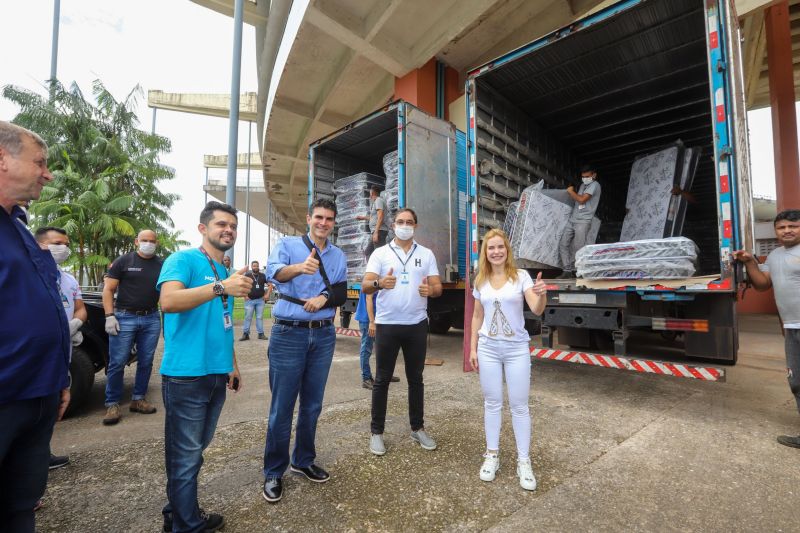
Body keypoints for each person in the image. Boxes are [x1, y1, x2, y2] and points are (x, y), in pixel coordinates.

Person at [157, 201, 251, 532]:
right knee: (185, 457)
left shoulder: (224, 270)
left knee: (194, 453)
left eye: (233, 226)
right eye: (221, 224)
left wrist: (233, 364)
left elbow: (222, 323)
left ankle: (177, 513)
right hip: (185, 376)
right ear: (203, 228)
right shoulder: (182, 260)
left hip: (215, 373)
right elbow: (168, 301)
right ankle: (187, 525)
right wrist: (220, 287)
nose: (228, 230)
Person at [0, 121, 70, 532]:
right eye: (40, 162)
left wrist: (58, 377)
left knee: (20, 503)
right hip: (6, 394)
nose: (47, 173)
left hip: (38, 391)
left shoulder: (20, 228)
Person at [262, 198, 346, 504]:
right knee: (282, 407)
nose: (323, 223)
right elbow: (274, 274)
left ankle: (303, 459)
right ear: (308, 218)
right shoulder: (287, 245)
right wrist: (300, 267)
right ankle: (273, 471)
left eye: (329, 219)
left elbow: (340, 289)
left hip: (323, 336)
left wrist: (324, 297)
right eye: (319, 217)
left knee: (312, 405)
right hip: (288, 334)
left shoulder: (337, 255)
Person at [468, 229, 547, 490]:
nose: (496, 252)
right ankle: (492, 455)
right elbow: (477, 315)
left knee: (519, 406)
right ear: (486, 252)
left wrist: (542, 293)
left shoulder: (521, 277)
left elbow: (536, 308)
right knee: (492, 403)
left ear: (507, 249)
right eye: (491, 248)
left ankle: (524, 461)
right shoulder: (481, 279)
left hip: (516, 350)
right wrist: (473, 348)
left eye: (500, 247)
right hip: (489, 349)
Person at [363, 208, 442, 456]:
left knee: (415, 379)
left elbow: (438, 286)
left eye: (409, 222)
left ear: (415, 226)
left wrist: (432, 291)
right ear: (393, 225)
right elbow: (365, 285)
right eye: (400, 222)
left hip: (417, 325)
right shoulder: (380, 253)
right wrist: (379, 283)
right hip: (387, 325)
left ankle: (417, 428)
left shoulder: (426, 254)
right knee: (382, 379)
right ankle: (376, 433)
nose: (404, 225)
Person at [733, 209, 800, 449]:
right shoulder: (774, 255)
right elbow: (762, 285)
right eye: (782, 227)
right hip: (792, 327)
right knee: (797, 382)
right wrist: (751, 261)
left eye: (793, 226)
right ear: (776, 231)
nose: (787, 231)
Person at [34, 226, 89, 471]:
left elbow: (80, 308)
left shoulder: (67, 279)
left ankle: (41, 455)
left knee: (50, 411)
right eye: (58, 243)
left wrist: (74, 325)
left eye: (66, 244)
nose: (64, 249)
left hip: (61, 356)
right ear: (39, 245)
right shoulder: (29, 276)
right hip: (35, 357)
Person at [102, 229, 163, 425]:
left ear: (157, 242)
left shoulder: (162, 264)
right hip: (124, 316)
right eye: (144, 240)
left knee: (146, 361)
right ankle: (112, 403)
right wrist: (109, 316)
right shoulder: (124, 261)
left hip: (151, 317)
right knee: (117, 362)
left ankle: (138, 399)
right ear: (136, 241)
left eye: (152, 241)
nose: (148, 243)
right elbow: (109, 289)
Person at [557, 165, 601, 279]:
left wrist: (571, 191)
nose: (585, 178)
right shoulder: (582, 185)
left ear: (594, 175)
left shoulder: (595, 185)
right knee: (563, 244)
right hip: (573, 219)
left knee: (578, 247)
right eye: (583, 177)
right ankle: (567, 270)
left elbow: (581, 200)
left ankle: (579, 272)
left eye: (587, 176)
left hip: (583, 221)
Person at [354, 289, 399, 390]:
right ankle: (366, 378)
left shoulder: (380, 278)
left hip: (379, 318)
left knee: (385, 347)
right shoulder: (371, 278)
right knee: (366, 349)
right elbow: (368, 298)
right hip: (368, 320)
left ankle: (385, 374)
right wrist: (372, 322)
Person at [357, 185, 389, 259]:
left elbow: (380, 216)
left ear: (372, 193)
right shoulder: (377, 202)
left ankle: (379, 270)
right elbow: (374, 217)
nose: (369, 196)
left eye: (370, 194)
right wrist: (363, 218)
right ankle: (372, 270)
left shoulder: (378, 200)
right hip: (377, 231)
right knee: (368, 252)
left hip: (379, 231)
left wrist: (376, 232)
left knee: (378, 255)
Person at [240, 260, 269, 341]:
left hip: (260, 300)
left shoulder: (263, 275)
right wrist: (245, 295)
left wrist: (267, 294)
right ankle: (245, 334)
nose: (255, 267)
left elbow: (270, 285)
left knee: (259, 317)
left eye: (257, 266)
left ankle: (261, 334)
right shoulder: (248, 275)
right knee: (248, 317)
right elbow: (242, 285)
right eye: (254, 266)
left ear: (258, 266)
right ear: (251, 267)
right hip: (249, 300)